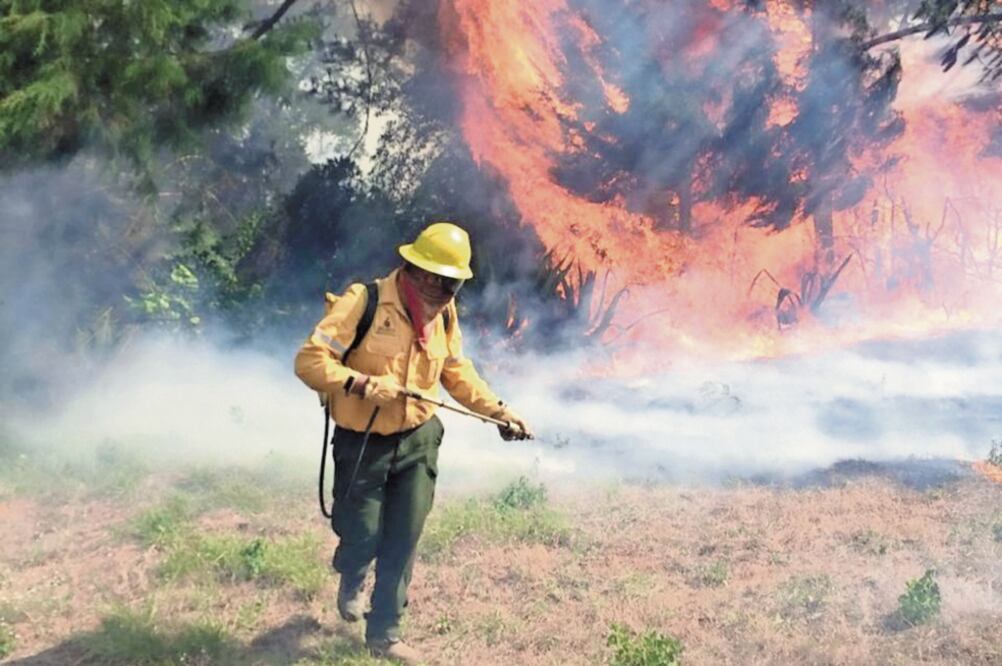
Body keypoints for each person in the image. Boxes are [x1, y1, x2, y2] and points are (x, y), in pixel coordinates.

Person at [294, 221, 534, 664]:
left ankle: (384, 634)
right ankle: (353, 570)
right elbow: (309, 361)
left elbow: (456, 372)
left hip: (419, 440)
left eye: (456, 284)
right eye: (443, 282)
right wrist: (362, 383)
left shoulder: (445, 314)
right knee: (362, 532)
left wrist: (498, 411)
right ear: (419, 271)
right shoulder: (363, 301)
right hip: (362, 442)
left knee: (404, 537)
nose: (449, 292)